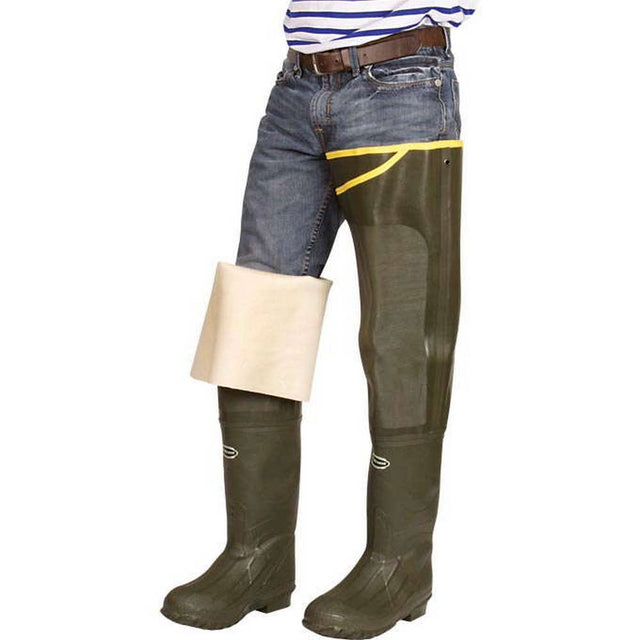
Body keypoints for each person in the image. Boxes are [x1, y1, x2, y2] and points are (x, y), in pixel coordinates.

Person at [162, 2, 477, 637]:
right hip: (297, 87)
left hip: (401, 83)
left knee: (402, 332)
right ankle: (257, 558)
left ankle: (400, 566)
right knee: (258, 309)